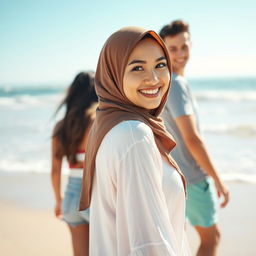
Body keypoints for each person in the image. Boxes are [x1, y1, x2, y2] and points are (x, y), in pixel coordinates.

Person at [79, 27, 191, 255]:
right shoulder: (135, 135)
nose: (153, 79)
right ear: (113, 74)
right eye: (137, 68)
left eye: (160, 65)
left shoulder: (112, 126)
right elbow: (149, 245)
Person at [159, 20, 229, 256]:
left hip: (175, 176)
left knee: (181, 242)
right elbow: (193, 139)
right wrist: (217, 179)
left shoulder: (166, 83)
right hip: (193, 178)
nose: (180, 54)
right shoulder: (176, 85)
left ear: (191, 45)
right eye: (173, 48)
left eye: (184, 46)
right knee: (212, 238)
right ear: (164, 51)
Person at [51, 71, 97, 256]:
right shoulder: (97, 122)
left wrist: (58, 201)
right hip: (93, 195)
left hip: (70, 198)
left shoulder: (61, 126)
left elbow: (55, 170)